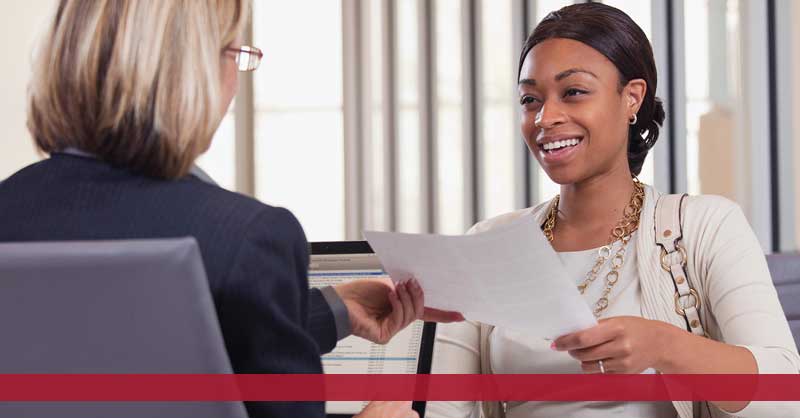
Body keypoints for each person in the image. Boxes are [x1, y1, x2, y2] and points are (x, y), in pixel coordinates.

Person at [0, 1, 461, 418]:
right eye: (234, 56)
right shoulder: (249, 236)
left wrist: (335, 309)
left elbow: (105, 350)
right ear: (190, 70)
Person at [428, 3, 799, 418]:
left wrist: (665, 346)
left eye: (574, 92)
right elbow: (441, 408)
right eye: (530, 99)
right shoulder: (488, 246)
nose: (545, 118)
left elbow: (784, 396)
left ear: (632, 99)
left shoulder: (704, 226)